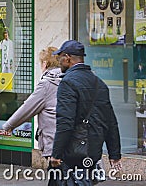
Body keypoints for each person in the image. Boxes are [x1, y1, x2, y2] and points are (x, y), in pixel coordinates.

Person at [50, 40, 122, 184]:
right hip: (92, 152)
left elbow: (65, 122)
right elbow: (110, 121)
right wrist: (114, 154)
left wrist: (56, 154)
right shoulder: (99, 83)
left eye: (60, 58)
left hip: (72, 153)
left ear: (67, 58)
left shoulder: (67, 82)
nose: (59, 62)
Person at [2, 47, 61, 159]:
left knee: (57, 174)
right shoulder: (69, 79)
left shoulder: (47, 83)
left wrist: (9, 125)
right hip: (70, 140)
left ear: (45, 64)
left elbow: (28, 107)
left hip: (53, 141)